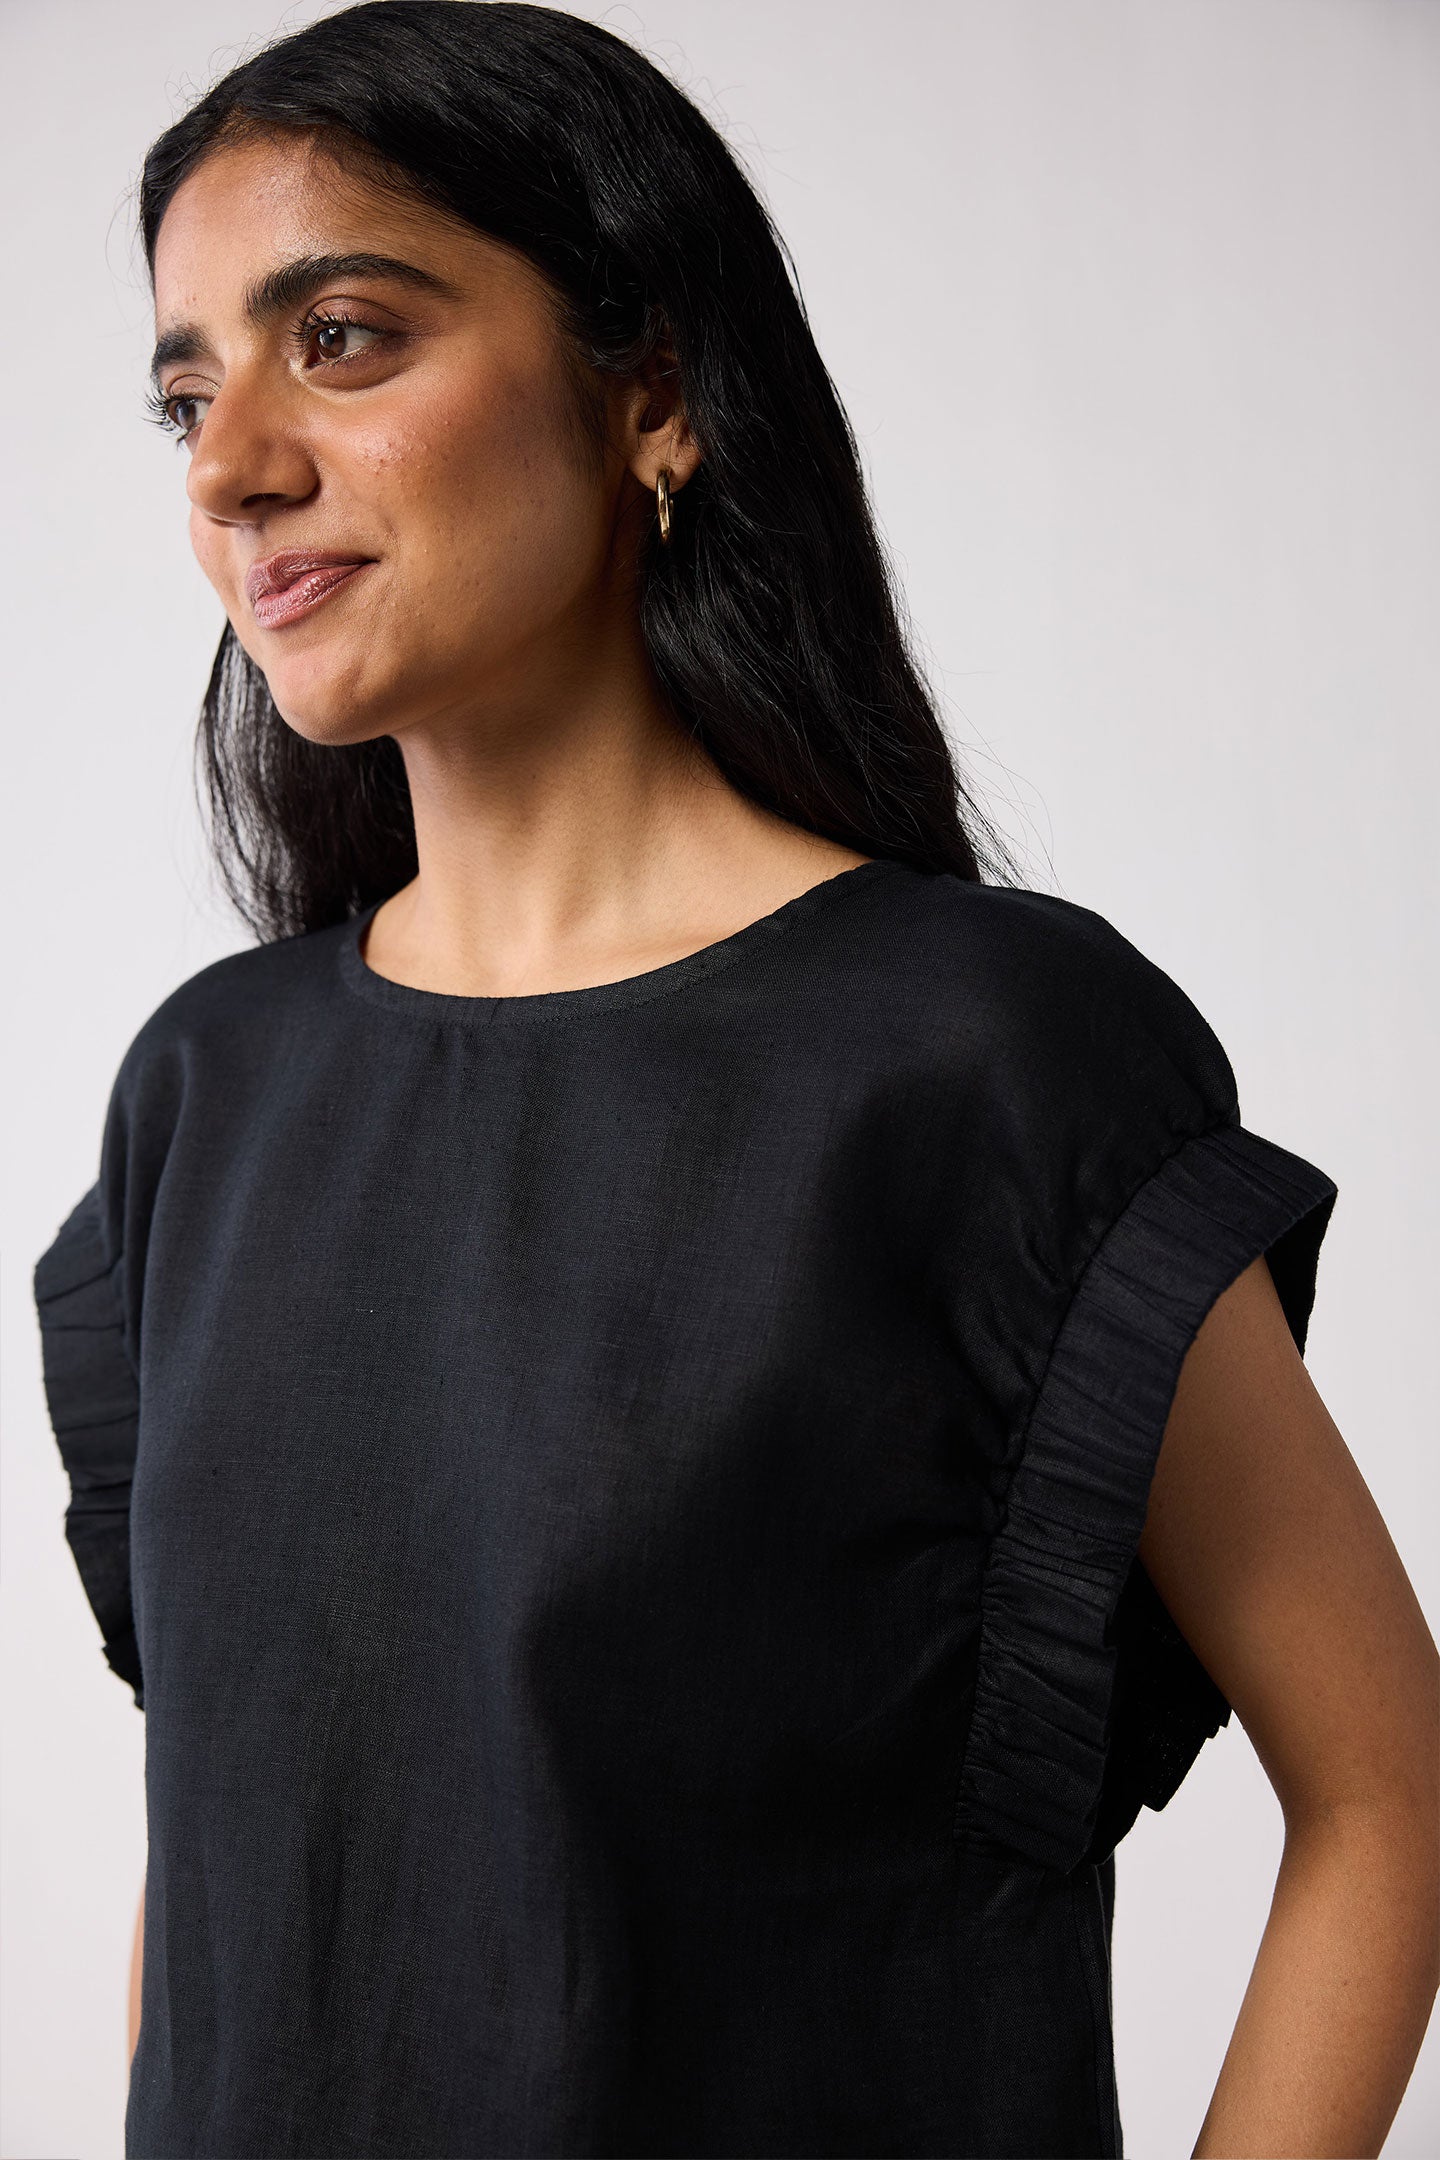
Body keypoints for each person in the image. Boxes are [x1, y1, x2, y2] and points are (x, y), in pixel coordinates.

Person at [32, 5, 1437, 2157]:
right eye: (185, 391)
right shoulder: (205, 1099)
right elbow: (232, 1866)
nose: (228, 469)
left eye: (343, 338)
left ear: (655, 390)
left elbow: (1388, 1789)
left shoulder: (984, 1063)